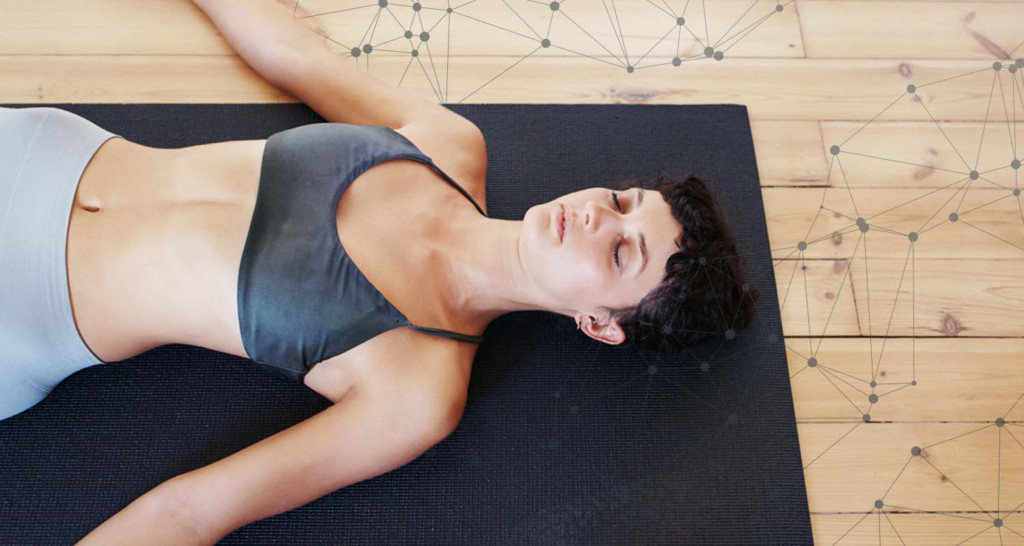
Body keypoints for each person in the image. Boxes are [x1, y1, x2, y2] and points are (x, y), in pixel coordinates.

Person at [0, 0, 758, 543]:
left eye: (623, 251)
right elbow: (295, 57)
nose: (599, 215)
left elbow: (193, 513)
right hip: (40, 151)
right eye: (624, 200)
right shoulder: (449, 144)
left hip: (22, 313)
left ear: (599, 325)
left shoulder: (419, 389)